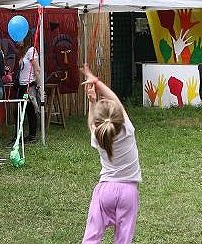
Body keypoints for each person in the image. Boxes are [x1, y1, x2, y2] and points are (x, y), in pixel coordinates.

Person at [81, 64, 142, 244]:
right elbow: (114, 98)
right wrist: (96, 82)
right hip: (129, 193)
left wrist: (92, 102)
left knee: (92, 236)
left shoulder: (99, 137)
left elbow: (92, 124)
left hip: (105, 191)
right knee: (123, 238)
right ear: (119, 117)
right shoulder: (127, 130)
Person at [14, 31, 41, 144]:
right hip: (22, 85)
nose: (17, 41)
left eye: (20, 39)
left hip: (29, 86)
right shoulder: (24, 52)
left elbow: (37, 69)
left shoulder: (31, 51)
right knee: (19, 111)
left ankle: (32, 136)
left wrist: (39, 86)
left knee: (29, 111)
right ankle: (20, 136)